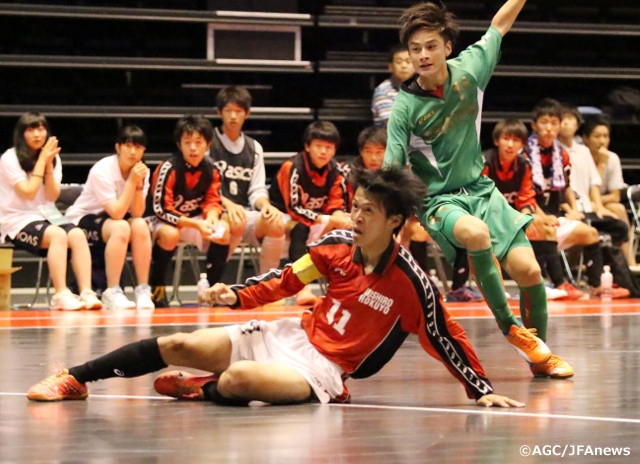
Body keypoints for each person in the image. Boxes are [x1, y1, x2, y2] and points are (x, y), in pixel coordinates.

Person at [26, 167, 524, 409]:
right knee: (178, 343)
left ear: (394, 221)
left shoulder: (411, 283)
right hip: (290, 335)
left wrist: (481, 390)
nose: (355, 216)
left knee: (239, 379)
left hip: (323, 371)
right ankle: (74, 379)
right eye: (355, 206)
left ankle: (202, 388)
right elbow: (285, 279)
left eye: (368, 211)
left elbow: (445, 335)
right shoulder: (335, 248)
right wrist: (236, 295)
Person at [383, 0, 573, 378]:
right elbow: (392, 166)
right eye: (415, 49)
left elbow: (499, 25)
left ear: (447, 47)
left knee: (530, 272)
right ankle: (512, 329)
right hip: (439, 202)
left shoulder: (470, 69)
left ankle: (541, 357)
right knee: (476, 233)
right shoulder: (405, 106)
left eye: (430, 46)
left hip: (482, 192)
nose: (422, 55)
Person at [345, 125, 482, 302]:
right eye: (368, 151)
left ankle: (424, 282)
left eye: (379, 152)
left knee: (426, 230)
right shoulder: (352, 174)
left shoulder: (401, 174)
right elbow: (345, 205)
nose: (374, 157)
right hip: (360, 223)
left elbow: (412, 206)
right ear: (360, 152)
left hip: (395, 223)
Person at [526, 99, 630, 298]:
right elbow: (526, 195)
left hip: (554, 217)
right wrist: (543, 217)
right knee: (548, 230)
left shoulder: (561, 155)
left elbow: (566, 187)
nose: (549, 128)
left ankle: (596, 285)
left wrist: (574, 209)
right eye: (544, 123)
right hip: (529, 216)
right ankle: (560, 284)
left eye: (554, 123)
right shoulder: (525, 155)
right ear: (534, 125)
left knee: (590, 233)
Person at [0, 112, 102, 311]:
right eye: (31, 130)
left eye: (41, 129)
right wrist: (42, 161)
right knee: (58, 236)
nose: (37, 134)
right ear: (21, 134)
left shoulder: (53, 159)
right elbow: (28, 192)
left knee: (77, 235)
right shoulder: (10, 158)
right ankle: (60, 295)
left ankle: (86, 292)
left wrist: (48, 165)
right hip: (16, 218)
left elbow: (52, 196)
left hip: (46, 213)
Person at [482, 119, 584, 300]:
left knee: (542, 227)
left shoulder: (524, 164)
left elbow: (526, 199)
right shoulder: (485, 162)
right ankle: (494, 287)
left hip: (513, 217)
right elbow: (480, 199)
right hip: (487, 216)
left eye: (515, 140)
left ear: (522, 145)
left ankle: (555, 283)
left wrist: (527, 219)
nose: (510, 145)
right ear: (497, 141)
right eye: (506, 139)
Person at [64, 125, 154, 310]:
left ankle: (143, 290)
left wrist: (138, 185)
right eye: (128, 146)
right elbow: (116, 212)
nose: (132, 151)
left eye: (138, 147)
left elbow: (137, 213)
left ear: (143, 150)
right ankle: (112, 291)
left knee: (140, 225)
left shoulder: (142, 172)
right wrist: (131, 182)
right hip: (83, 219)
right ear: (118, 147)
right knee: (121, 227)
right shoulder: (103, 170)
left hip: (111, 221)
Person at [146, 115, 230, 307]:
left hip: (194, 221)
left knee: (224, 232)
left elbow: (213, 200)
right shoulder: (167, 168)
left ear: (207, 144)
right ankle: (157, 288)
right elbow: (161, 209)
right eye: (187, 142)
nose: (193, 148)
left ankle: (212, 290)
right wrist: (196, 225)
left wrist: (212, 217)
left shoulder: (213, 169)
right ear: (179, 144)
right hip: (160, 221)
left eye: (198, 143)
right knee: (170, 234)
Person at [269, 120, 351, 305]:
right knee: (300, 227)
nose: (323, 152)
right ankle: (301, 287)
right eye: (319, 146)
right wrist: (329, 219)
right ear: (307, 146)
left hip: (317, 219)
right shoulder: (292, 167)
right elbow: (295, 208)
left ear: (335, 150)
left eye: (328, 147)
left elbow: (337, 202)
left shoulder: (336, 170)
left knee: (343, 232)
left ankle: (341, 286)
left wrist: (339, 217)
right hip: (284, 216)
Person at [208, 86, 286, 276]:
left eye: (238, 111)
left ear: (247, 113)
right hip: (215, 213)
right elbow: (203, 188)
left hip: (244, 214)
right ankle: (211, 280)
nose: (233, 116)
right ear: (219, 112)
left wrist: (265, 205)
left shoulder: (254, 147)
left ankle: (267, 284)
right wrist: (227, 204)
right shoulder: (208, 143)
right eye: (228, 110)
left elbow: (257, 190)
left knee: (276, 223)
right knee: (235, 220)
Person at [579, 114, 636, 266]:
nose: (602, 141)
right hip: (582, 203)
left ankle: (628, 263)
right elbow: (586, 190)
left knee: (619, 208)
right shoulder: (580, 157)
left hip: (600, 202)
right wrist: (602, 165)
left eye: (605, 136)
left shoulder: (612, 158)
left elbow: (615, 196)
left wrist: (596, 202)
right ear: (585, 139)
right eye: (597, 136)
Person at [371, 43, 415, 127]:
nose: (404, 66)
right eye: (399, 62)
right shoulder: (383, 91)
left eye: (408, 61)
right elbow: (395, 126)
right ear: (390, 67)